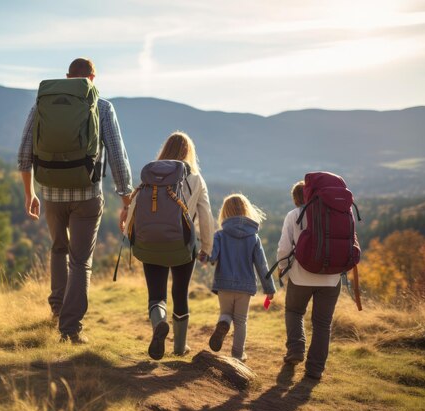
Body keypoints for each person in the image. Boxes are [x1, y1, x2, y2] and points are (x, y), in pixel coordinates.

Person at [18, 58, 134, 344]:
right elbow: (117, 157)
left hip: (51, 193)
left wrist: (29, 192)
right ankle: (69, 329)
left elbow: (24, 152)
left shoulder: (41, 105)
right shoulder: (103, 107)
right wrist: (126, 198)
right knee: (80, 262)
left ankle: (57, 308)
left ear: (68, 76)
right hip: (87, 195)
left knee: (59, 249)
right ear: (92, 78)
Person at [124, 131, 215, 360]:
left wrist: (130, 236)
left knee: (156, 295)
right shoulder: (195, 178)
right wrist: (206, 247)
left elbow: (134, 206)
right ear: (189, 152)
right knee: (180, 293)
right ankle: (179, 347)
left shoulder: (151, 174)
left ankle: (159, 324)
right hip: (182, 246)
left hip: (150, 244)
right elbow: (205, 216)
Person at [276, 180, 342, 380]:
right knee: (323, 323)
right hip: (331, 278)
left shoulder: (294, 215)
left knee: (294, 311)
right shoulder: (336, 214)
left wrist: (282, 269)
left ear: (296, 198)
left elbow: (284, 249)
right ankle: (315, 370)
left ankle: (296, 349)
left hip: (300, 275)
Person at [207, 194, 276, 361]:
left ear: (225, 212)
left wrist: (204, 254)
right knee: (240, 322)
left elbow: (212, 257)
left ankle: (223, 322)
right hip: (245, 287)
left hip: (223, 285)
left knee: (225, 313)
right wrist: (269, 288)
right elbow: (262, 265)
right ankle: (238, 355)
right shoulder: (254, 237)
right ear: (246, 210)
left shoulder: (220, 235)